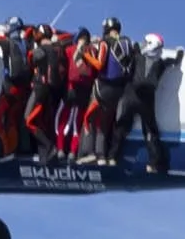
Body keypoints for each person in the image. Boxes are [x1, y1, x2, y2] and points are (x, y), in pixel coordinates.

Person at [121, 31, 181, 173]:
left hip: (132, 98)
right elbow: (173, 61)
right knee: (150, 132)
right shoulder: (160, 63)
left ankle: (112, 155)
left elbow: (130, 55)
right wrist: (179, 55)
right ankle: (155, 163)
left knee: (121, 127)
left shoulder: (137, 57)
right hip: (147, 101)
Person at [89, 16, 134, 165]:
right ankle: (111, 155)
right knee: (110, 122)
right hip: (120, 90)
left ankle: (100, 155)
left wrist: (85, 55)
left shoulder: (104, 43)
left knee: (98, 123)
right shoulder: (128, 42)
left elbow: (98, 65)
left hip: (105, 88)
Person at [25, 26, 70, 165]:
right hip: (50, 90)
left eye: (37, 33)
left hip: (40, 89)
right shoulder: (58, 49)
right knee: (42, 121)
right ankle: (45, 153)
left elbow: (30, 61)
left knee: (28, 120)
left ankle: (50, 148)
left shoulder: (41, 50)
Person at [0, 18, 32, 160]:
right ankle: (13, 150)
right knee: (12, 119)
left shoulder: (6, 42)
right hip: (23, 90)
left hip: (10, 88)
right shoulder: (27, 44)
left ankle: (6, 150)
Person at [59, 28, 97, 161]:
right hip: (84, 92)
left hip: (70, 89)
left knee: (63, 119)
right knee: (77, 122)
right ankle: (72, 152)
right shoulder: (93, 51)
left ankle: (60, 149)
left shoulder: (70, 50)